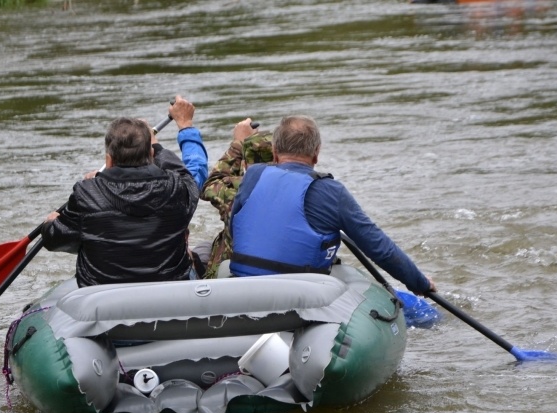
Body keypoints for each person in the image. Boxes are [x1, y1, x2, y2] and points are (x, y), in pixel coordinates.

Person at [229, 115, 436, 295]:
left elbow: (234, 227)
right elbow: (379, 247)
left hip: (243, 287)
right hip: (297, 294)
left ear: (274, 152)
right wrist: (419, 283)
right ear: (316, 154)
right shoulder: (331, 191)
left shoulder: (253, 176)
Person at [41, 96, 206, 287]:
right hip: (168, 294)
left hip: (103, 299)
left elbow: (55, 240)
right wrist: (171, 135)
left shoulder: (86, 194)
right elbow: (193, 172)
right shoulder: (176, 189)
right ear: (151, 155)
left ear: (109, 161)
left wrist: (50, 224)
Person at [199, 118, 272, 279]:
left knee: (202, 250)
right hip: (274, 270)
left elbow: (211, 183)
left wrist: (238, 143)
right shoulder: (292, 190)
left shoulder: (234, 191)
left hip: (232, 274)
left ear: (244, 164)